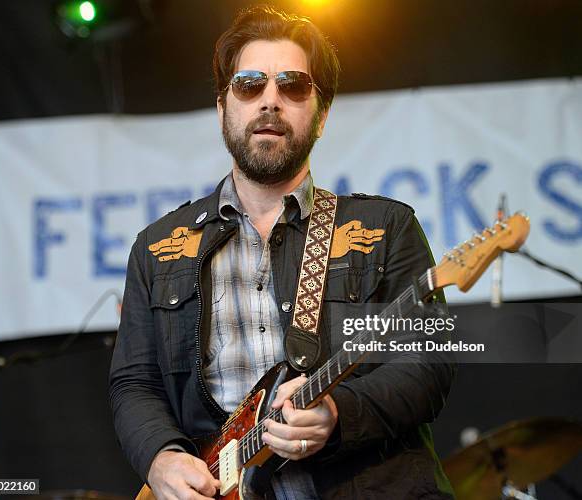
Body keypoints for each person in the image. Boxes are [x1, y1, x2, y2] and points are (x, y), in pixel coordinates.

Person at [109, 5, 456, 499]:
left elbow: (429, 362)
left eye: (293, 86)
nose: (270, 101)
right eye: (250, 84)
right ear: (222, 107)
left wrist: (340, 414)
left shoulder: (384, 227)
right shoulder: (158, 249)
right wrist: (160, 457)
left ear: (322, 113)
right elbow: (134, 384)